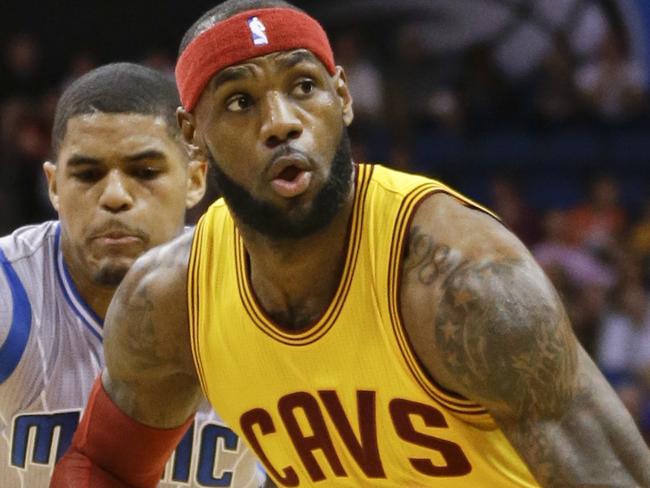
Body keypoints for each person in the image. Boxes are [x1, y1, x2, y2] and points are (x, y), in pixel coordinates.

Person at [52, 2, 650, 487]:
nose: (282, 121)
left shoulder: (462, 282)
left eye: (304, 86)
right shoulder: (171, 298)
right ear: (191, 136)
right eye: (240, 102)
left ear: (343, 97)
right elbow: (104, 467)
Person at [0, 62, 267, 487]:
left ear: (195, 179)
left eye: (145, 172)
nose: (115, 197)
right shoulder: (10, 288)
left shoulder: (254, 285)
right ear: (53, 186)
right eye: (87, 175)